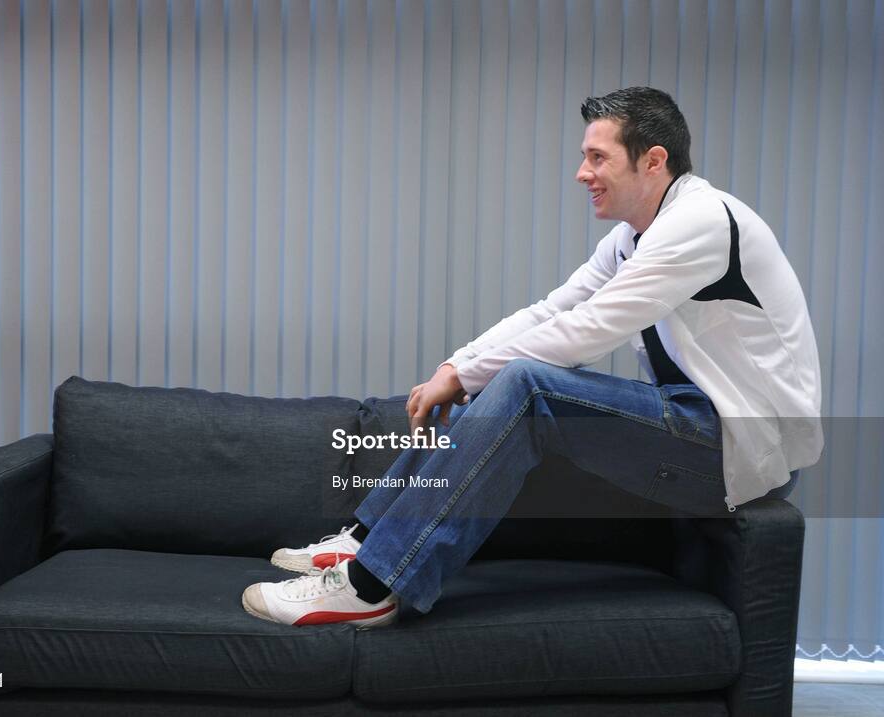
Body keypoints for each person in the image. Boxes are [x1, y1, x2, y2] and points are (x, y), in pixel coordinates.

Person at [240, 87, 823, 628]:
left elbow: (587, 331)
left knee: (526, 385)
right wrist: (456, 367)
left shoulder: (700, 222)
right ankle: (365, 539)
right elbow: (552, 310)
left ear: (652, 160)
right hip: (694, 423)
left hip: (740, 450)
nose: (582, 173)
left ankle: (368, 590)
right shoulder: (633, 236)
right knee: (500, 380)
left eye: (598, 158)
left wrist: (468, 374)